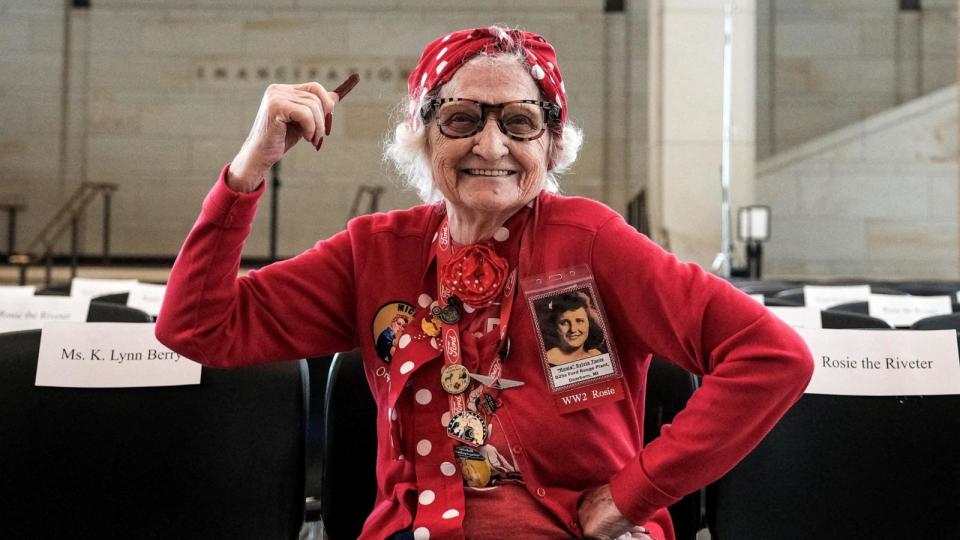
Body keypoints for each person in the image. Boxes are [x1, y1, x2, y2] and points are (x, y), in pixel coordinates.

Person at [156, 25, 814, 540]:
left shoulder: (590, 241)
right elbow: (198, 327)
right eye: (462, 119)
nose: (491, 147)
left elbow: (772, 358)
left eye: (519, 122)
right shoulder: (374, 252)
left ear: (551, 144)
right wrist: (248, 169)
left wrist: (631, 494)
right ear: (422, 135)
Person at [541, 291, 606, 365]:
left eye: (579, 321)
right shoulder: (548, 360)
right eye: (564, 323)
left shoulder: (596, 354)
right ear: (555, 327)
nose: (573, 329)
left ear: (589, 323)